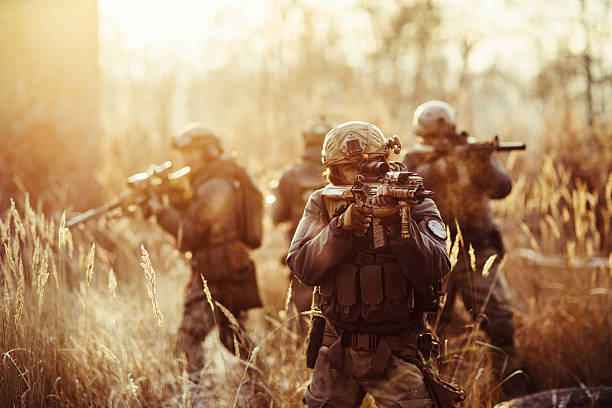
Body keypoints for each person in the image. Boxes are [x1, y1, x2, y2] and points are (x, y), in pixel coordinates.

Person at [288, 121, 456, 407]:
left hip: (397, 351)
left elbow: (435, 266)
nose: (361, 175)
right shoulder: (322, 201)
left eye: (370, 165)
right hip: (335, 349)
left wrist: (397, 224)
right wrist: (341, 228)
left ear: (385, 163)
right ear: (335, 172)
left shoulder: (412, 200)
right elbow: (302, 267)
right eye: (351, 168)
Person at [403, 100, 530, 401]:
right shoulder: (415, 158)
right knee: (429, 330)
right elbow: (410, 189)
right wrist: (440, 165)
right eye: (434, 140)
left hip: (477, 251)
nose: (442, 142)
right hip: (434, 256)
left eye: (445, 137)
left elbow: (502, 188)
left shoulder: (475, 151)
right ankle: (432, 395)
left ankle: (511, 395)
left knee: (499, 325)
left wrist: (480, 162)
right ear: (423, 137)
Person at [146, 123, 263, 382]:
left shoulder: (216, 185)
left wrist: (160, 211)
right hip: (223, 266)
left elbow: (190, 231)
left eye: (193, 152)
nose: (187, 159)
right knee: (233, 336)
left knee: (192, 336)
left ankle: (192, 392)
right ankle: (260, 383)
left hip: (220, 270)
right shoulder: (213, 181)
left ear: (209, 151)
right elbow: (195, 217)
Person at [272, 122, 331, 317]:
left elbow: (277, 216)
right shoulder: (343, 173)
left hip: (303, 258)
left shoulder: (290, 175)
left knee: (302, 321)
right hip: (338, 255)